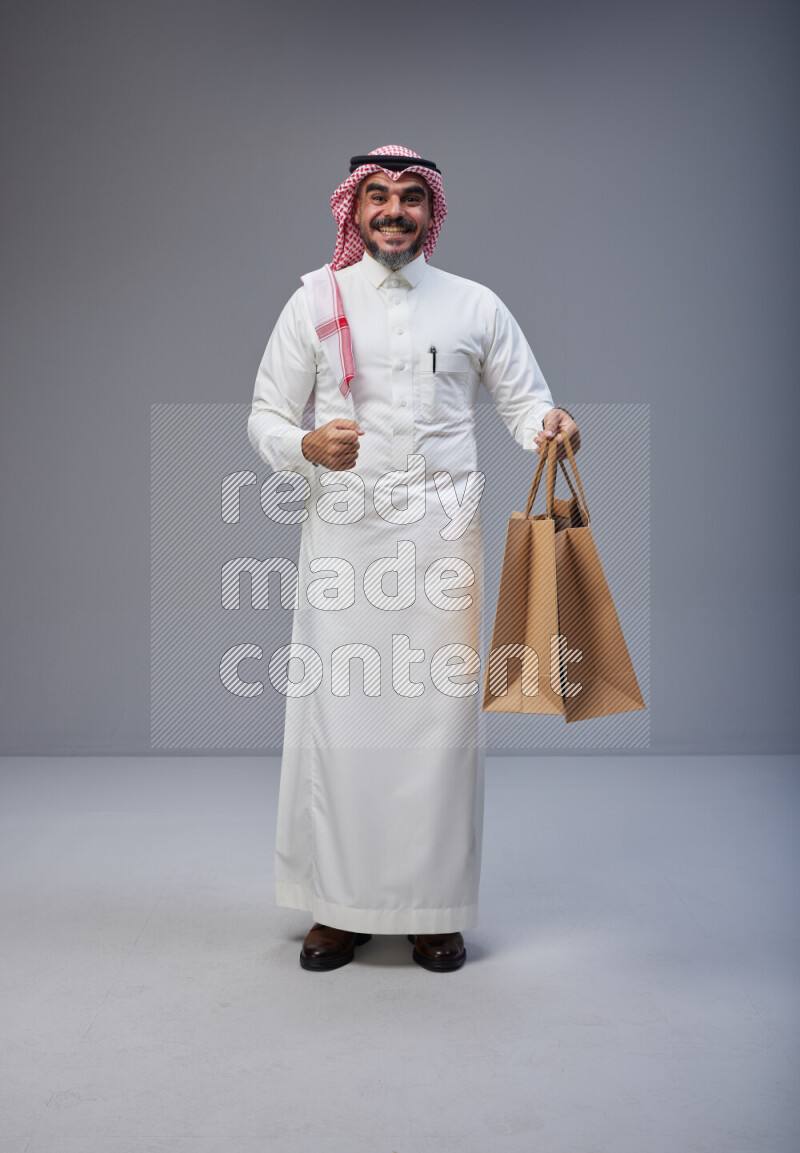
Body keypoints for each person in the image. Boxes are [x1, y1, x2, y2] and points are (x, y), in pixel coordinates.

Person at [247, 145, 580, 973]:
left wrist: (552, 424)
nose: (394, 211)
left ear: (432, 213)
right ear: (352, 212)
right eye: (378, 198)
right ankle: (337, 908)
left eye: (410, 199)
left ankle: (432, 908)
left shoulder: (475, 305)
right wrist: (306, 444)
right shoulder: (315, 301)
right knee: (345, 717)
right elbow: (262, 415)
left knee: (436, 726)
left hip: (441, 537)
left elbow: (524, 399)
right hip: (345, 535)